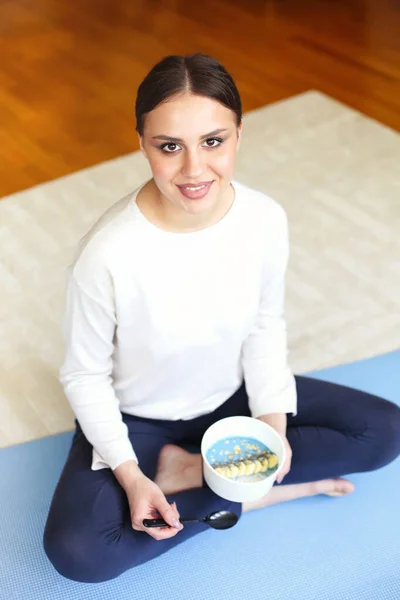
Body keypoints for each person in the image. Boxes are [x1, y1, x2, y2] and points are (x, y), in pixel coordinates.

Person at [43, 53, 400, 583]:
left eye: (213, 141)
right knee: (78, 553)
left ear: (238, 134)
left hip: (230, 397)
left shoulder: (264, 219)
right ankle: (244, 496)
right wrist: (131, 474)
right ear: (141, 142)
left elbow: (263, 324)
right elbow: (83, 374)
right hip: (138, 416)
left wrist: (272, 426)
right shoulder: (108, 254)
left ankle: (192, 474)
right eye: (169, 146)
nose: (193, 170)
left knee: (385, 432)